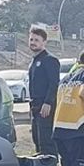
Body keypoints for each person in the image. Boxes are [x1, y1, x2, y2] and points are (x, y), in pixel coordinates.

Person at [26, 27, 60, 156]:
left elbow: (54, 83)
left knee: (47, 143)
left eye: (37, 40)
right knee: (37, 141)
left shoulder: (49, 60)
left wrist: (48, 102)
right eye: (31, 39)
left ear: (44, 42)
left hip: (45, 107)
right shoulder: (34, 62)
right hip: (34, 106)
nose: (33, 42)